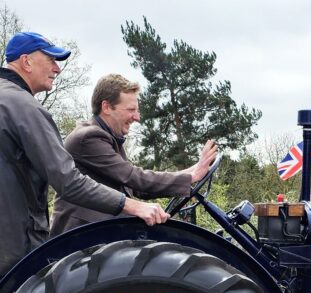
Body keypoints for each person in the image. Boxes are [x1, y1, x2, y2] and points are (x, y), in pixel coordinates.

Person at [0, 32, 169, 293]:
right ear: (26, 62)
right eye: (51, 60)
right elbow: (68, 181)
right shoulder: (23, 106)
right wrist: (132, 206)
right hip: (13, 236)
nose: (57, 68)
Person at [50, 74, 218, 235]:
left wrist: (192, 171)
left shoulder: (109, 137)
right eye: (131, 110)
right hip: (82, 240)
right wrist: (191, 176)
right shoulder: (89, 137)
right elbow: (134, 177)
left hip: (103, 233)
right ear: (106, 107)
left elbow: (134, 187)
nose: (137, 117)